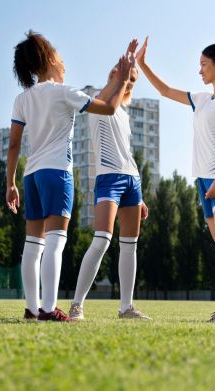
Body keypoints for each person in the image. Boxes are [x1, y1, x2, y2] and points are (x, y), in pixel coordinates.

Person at [6, 31, 138, 321]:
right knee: (56, 241)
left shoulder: (21, 99)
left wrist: (10, 183)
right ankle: (50, 308)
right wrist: (123, 77)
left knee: (32, 244)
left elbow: (14, 144)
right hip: (57, 174)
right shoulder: (64, 92)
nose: (64, 66)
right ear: (50, 59)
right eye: (62, 60)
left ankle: (31, 308)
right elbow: (109, 108)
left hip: (31, 176)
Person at [136, 37, 215, 322]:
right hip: (203, 181)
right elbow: (164, 90)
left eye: (203, 64)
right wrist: (142, 63)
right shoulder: (201, 99)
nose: (200, 70)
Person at [68, 61, 151, 320]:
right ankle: (77, 306)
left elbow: (127, 152)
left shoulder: (125, 115)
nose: (128, 80)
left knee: (130, 246)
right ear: (113, 73)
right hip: (108, 178)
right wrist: (121, 75)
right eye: (125, 74)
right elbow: (109, 95)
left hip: (132, 180)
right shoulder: (98, 101)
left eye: (132, 79)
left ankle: (126, 307)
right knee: (102, 239)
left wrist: (141, 197)